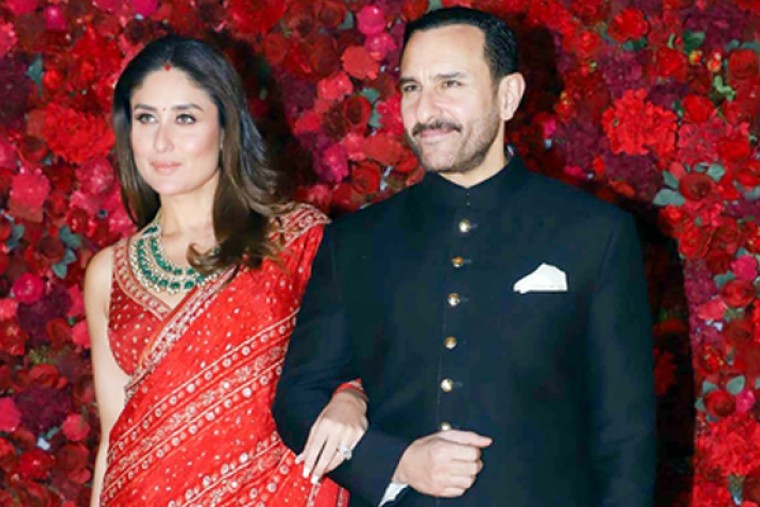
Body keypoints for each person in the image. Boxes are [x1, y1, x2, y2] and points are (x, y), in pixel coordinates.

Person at [273, 7, 656, 507]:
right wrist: (397, 463)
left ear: (508, 95)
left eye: (449, 84)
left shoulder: (594, 233)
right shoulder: (355, 242)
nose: (425, 109)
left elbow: (625, 437)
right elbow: (297, 399)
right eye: (412, 87)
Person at [84, 35, 366, 506]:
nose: (161, 142)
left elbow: (360, 356)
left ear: (226, 126)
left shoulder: (296, 239)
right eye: (146, 118)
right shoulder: (108, 272)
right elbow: (115, 437)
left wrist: (352, 398)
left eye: (185, 118)